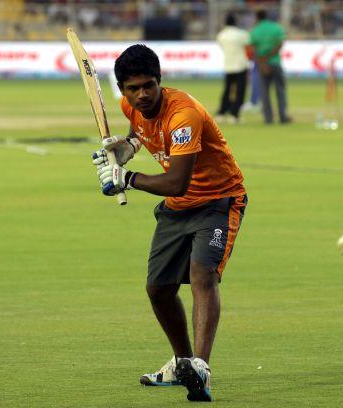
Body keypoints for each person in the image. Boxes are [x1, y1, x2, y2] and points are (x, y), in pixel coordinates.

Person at [91, 44, 247, 402]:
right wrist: (127, 147)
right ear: (122, 90)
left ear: (160, 80)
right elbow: (140, 132)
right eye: (133, 88)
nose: (142, 94)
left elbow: (177, 181)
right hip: (178, 208)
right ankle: (181, 364)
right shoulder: (129, 107)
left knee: (202, 275)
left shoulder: (184, 115)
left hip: (218, 202)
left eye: (149, 85)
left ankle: (201, 368)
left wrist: (127, 178)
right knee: (158, 290)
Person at [249, 10, 292, 124]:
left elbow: (252, 48)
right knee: (280, 90)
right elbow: (281, 43)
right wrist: (270, 56)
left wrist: (261, 61)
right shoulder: (276, 28)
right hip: (275, 62)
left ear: (257, 17)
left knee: (265, 92)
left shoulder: (255, 30)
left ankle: (268, 118)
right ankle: (283, 116)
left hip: (262, 64)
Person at [215, 13, 250, 124]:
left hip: (228, 65)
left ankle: (221, 113)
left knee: (227, 90)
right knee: (240, 91)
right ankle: (234, 115)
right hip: (240, 65)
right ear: (235, 22)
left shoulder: (221, 35)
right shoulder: (242, 34)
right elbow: (248, 45)